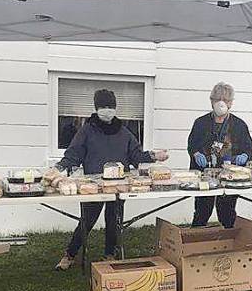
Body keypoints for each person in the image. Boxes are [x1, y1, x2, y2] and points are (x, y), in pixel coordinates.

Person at [53, 89, 168, 270]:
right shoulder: (87, 131)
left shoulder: (124, 132)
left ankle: (110, 254)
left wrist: (153, 156)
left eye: (110, 106)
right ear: (96, 108)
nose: (107, 110)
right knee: (86, 221)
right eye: (103, 106)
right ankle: (70, 254)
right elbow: (73, 154)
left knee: (114, 221)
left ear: (115, 108)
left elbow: (136, 156)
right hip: (93, 187)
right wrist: (58, 169)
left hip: (119, 186)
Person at [187, 82, 252, 228]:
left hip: (229, 176)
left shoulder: (239, 125)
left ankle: (230, 241)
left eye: (225, 100)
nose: (221, 103)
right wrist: (196, 154)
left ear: (230, 103)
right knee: (202, 211)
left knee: (227, 212)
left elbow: (249, 149)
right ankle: (196, 242)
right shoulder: (201, 123)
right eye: (217, 99)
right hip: (205, 176)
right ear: (211, 101)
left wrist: (244, 156)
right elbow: (191, 145)